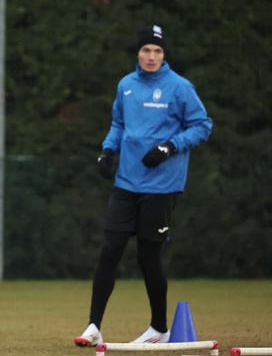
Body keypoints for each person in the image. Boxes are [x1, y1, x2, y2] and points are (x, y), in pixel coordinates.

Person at [74, 25, 213, 346]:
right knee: (109, 250)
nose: (151, 56)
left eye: (157, 51)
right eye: (146, 50)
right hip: (127, 183)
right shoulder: (126, 85)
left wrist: (169, 147)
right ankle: (93, 326)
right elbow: (119, 124)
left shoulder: (180, 88)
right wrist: (108, 150)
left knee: (148, 257)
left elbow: (203, 125)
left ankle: (159, 328)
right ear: (138, 53)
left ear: (164, 55)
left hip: (162, 186)